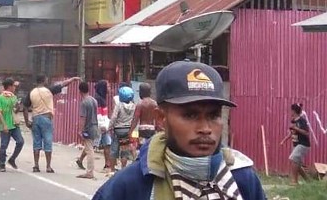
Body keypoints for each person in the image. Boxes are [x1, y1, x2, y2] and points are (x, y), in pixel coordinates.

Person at [93, 61, 266, 200]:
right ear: (161, 118)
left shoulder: (242, 178)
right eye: (190, 115)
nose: (205, 129)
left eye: (213, 115)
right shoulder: (131, 186)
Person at [25, 74, 79, 173]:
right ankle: (48, 166)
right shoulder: (48, 90)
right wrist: (73, 79)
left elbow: (24, 107)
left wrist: (26, 121)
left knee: (36, 142)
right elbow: (63, 84)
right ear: (44, 81)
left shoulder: (31, 92)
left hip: (35, 118)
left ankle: (36, 165)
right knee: (48, 142)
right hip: (46, 118)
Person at [0, 77, 23, 172]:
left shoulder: (13, 97)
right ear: (10, 86)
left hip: (14, 124)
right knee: (4, 145)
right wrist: (4, 125)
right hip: (5, 124)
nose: (14, 88)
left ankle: (12, 159)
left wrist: (18, 107)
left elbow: (15, 110)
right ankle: (2, 164)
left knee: (20, 141)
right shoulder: (0, 98)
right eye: (13, 86)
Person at [77, 82, 100, 179]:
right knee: (89, 147)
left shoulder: (84, 102)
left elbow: (83, 118)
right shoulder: (94, 100)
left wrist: (80, 130)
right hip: (95, 126)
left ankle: (90, 172)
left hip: (88, 128)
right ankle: (82, 162)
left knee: (89, 150)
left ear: (80, 91)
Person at [110, 85, 137, 169]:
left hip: (118, 129)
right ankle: (123, 168)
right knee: (124, 150)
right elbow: (134, 119)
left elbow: (114, 117)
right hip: (127, 130)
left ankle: (112, 168)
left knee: (114, 149)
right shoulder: (133, 106)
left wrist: (109, 126)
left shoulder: (119, 105)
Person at [287, 103, 311, 185]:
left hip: (303, 144)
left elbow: (307, 133)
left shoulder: (302, 120)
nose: (290, 112)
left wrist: (296, 128)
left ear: (293, 111)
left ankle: (294, 181)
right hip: (296, 145)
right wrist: (284, 140)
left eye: (291, 110)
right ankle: (308, 181)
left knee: (293, 159)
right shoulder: (293, 121)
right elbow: (291, 133)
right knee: (297, 163)